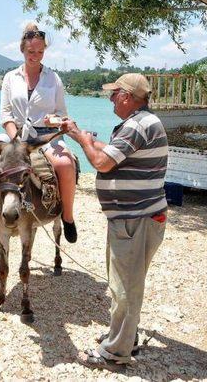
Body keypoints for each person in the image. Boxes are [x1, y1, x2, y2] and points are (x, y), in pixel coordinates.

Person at [61, 73, 168, 369]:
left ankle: (115, 354)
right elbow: (106, 154)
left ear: (127, 96)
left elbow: (101, 162)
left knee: (125, 289)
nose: (110, 99)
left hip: (136, 220)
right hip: (133, 219)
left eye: (114, 94)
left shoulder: (137, 126)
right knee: (124, 283)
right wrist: (78, 134)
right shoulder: (139, 123)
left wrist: (82, 139)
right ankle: (124, 338)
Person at [0, 22, 78, 242]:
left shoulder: (54, 79)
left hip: (45, 135)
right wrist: (14, 138)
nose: (36, 56)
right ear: (22, 50)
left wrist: (54, 121)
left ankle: (68, 217)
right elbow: (5, 114)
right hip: (14, 133)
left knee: (65, 164)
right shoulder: (10, 77)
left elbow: (62, 114)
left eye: (41, 52)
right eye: (31, 51)